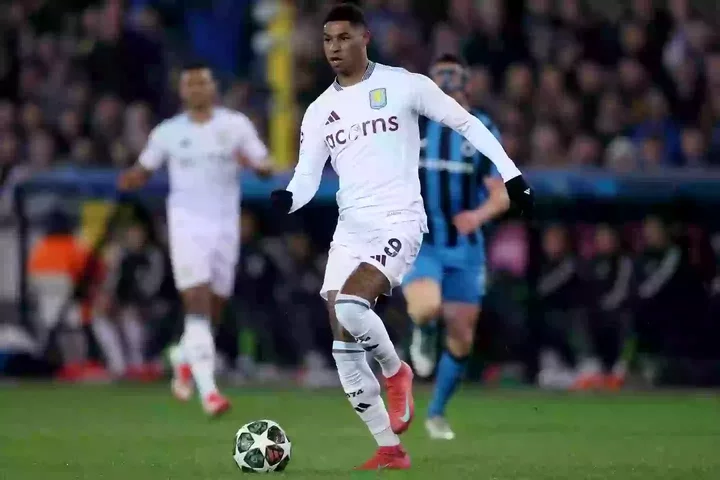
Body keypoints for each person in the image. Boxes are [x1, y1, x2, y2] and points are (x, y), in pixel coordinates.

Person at [269, 3, 533, 470]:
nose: (334, 47)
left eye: (344, 38)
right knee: (342, 342)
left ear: (365, 37)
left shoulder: (404, 85)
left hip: (399, 221)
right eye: (328, 40)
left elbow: (466, 123)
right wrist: (286, 199)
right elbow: (306, 180)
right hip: (349, 229)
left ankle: (397, 371)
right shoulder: (319, 111)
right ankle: (390, 448)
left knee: (353, 306)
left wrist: (510, 174)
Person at [117, 62, 273, 416]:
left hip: (225, 226)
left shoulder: (235, 125)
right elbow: (143, 169)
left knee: (213, 309)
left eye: (203, 82)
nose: (197, 89)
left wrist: (258, 166)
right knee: (198, 302)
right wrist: (130, 179)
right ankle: (210, 392)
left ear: (213, 87)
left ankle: (183, 356)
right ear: (182, 91)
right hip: (187, 225)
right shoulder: (167, 133)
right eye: (190, 84)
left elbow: (264, 164)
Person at [402, 54, 510, 440]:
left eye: (452, 79)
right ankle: (423, 330)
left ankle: (436, 412)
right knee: (427, 306)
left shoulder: (482, 128)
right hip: (422, 242)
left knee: (462, 335)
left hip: (464, 247)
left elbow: (501, 194)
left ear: (466, 85)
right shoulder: (410, 125)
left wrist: (478, 216)